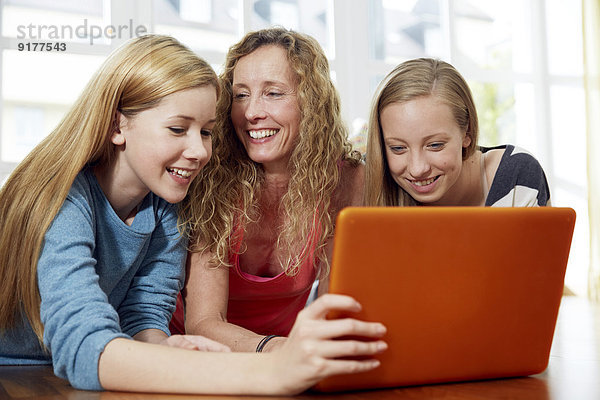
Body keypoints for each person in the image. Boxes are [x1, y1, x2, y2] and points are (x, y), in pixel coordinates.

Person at [0, 34, 386, 395]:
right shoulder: (65, 200)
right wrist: (272, 370)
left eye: (206, 132)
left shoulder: (166, 203)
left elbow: (140, 315)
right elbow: (85, 349)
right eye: (177, 128)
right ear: (118, 125)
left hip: (68, 373)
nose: (201, 152)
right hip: (18, 370)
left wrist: (169, 346)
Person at [172, 27, 366, 353]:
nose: (251, 113)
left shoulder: (347, 181)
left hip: (283, 359)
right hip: (194, 352)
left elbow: (335, 304)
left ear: (311, 102)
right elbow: (203, 322)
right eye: (241, 94)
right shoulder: (212, 176)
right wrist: (278, 351)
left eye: (273, 93)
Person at [364, 57, 550, 207]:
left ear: (467, 132)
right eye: (397, 148)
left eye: (435, 145)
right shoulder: (370, 182)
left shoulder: (516, 175)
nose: (417, 169)